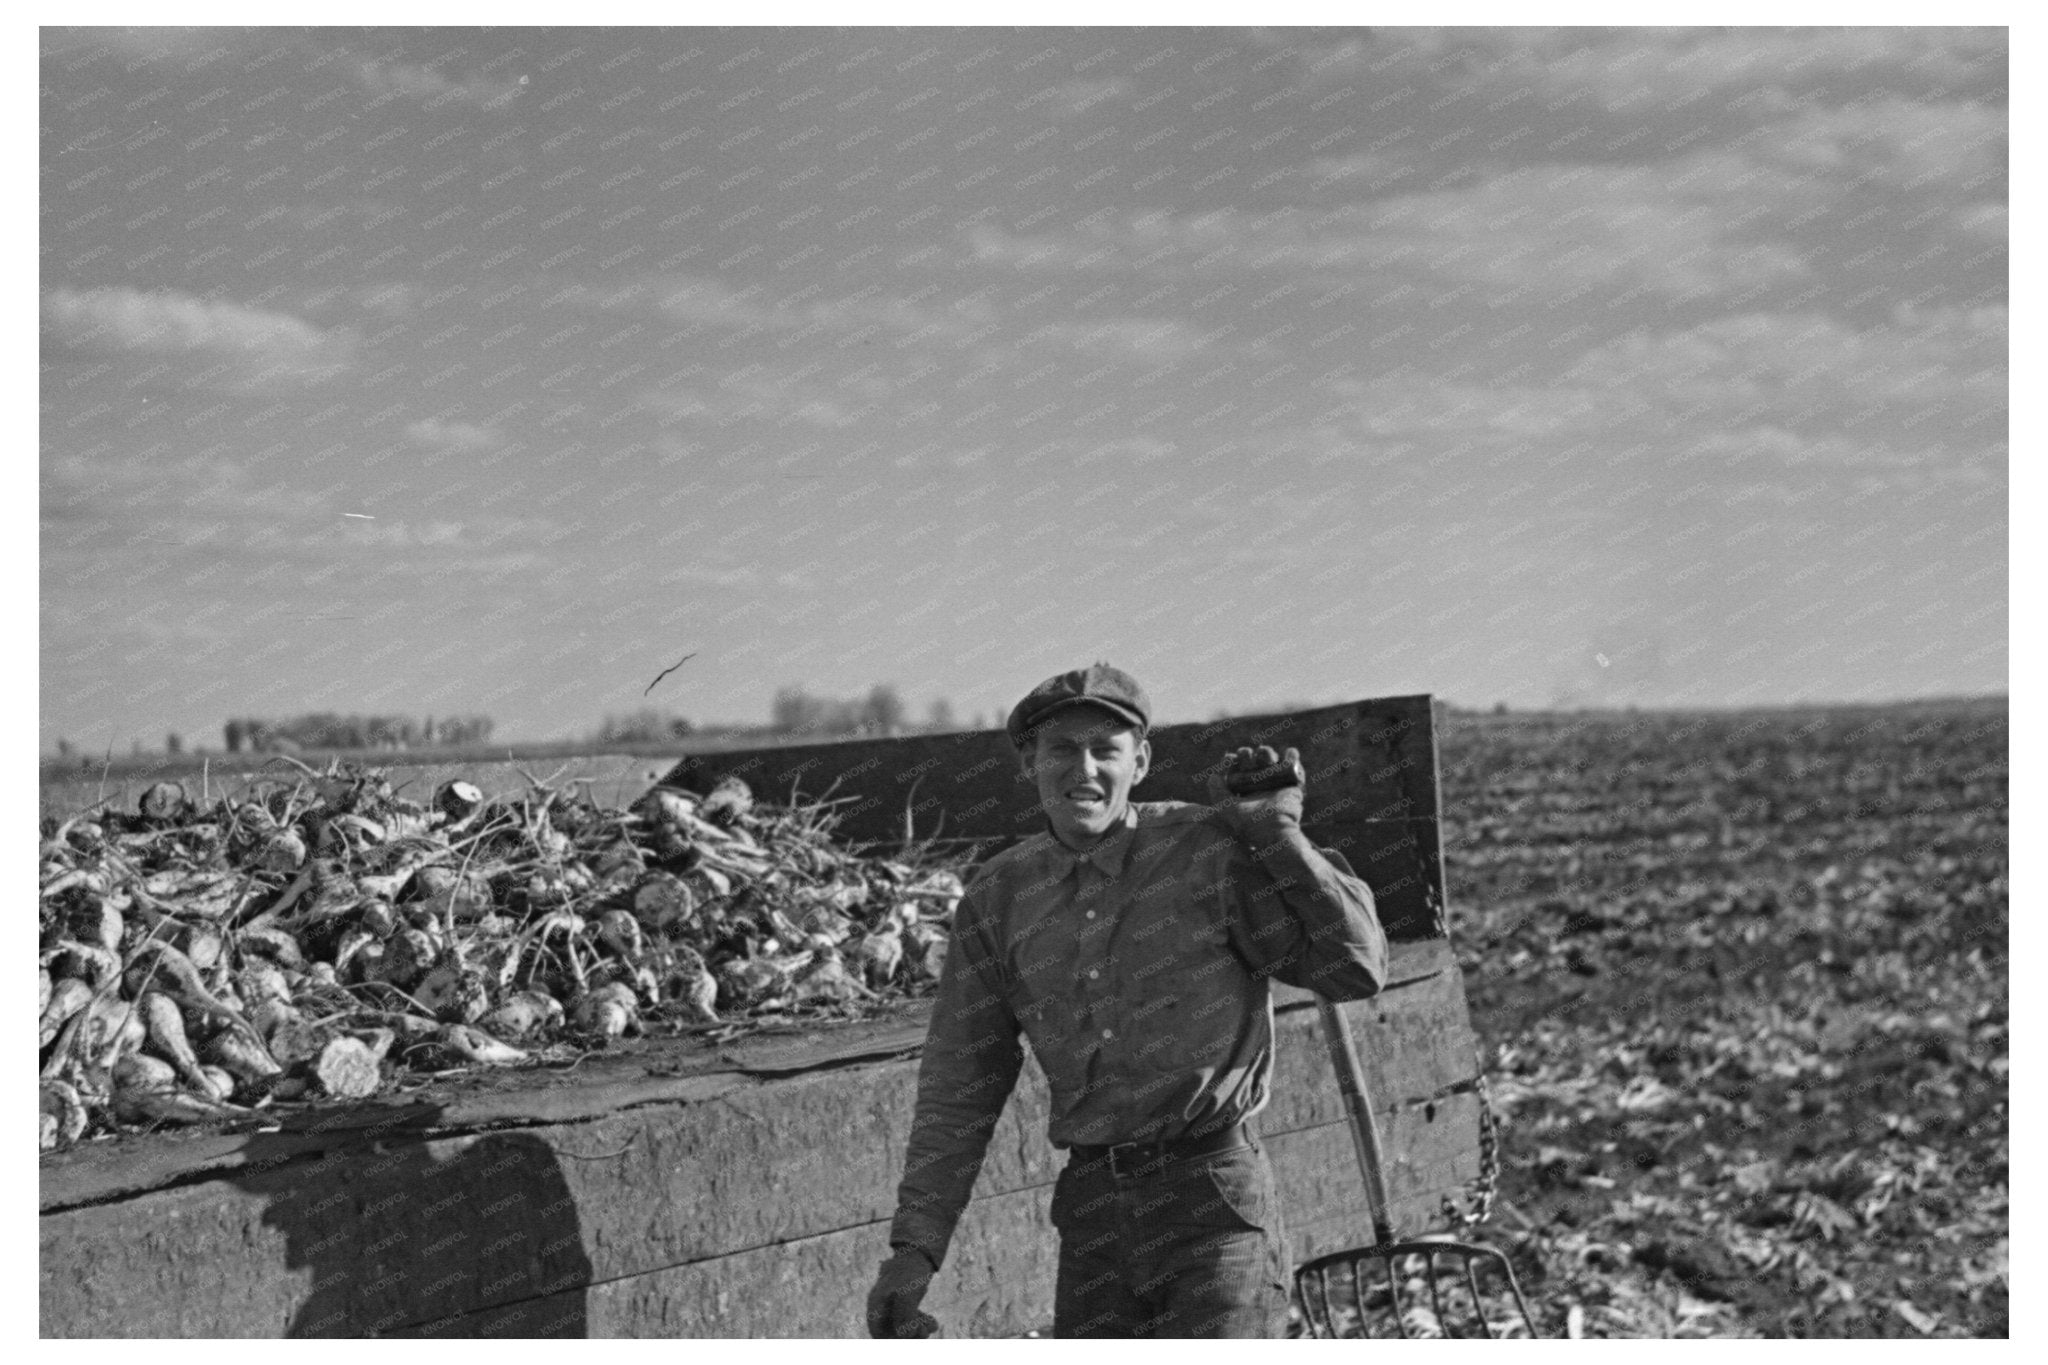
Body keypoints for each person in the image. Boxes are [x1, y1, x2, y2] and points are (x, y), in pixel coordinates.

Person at [866, 663, 1389, 1339]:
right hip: (1094, 1220)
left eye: (1105, 750)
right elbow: (960, 1084)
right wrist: (916, 1248)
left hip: (1214, 1203)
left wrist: (1279, 837)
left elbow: (1355, 967)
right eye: (1061, 749)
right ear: (1029, 762)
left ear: (1138, 762)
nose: (1083, 769)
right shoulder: (999, 900)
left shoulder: (1209, 853)